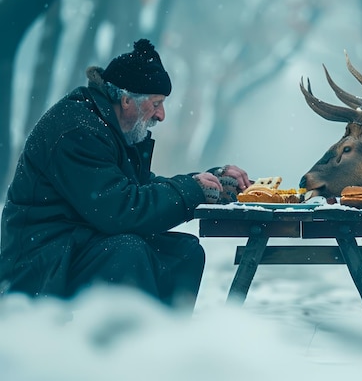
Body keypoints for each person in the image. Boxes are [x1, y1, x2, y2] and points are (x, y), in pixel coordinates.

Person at [0, 39, 251, 310]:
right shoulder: (77, 131)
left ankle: (164, 343)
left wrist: (206, 180)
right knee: (127, 249)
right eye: (156, 103)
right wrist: (191, 189)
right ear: (126, 99)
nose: (162, 115)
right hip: (42, 260)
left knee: (184, 253)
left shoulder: (108, 125)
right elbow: (120, 211)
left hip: (78, 243)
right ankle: (122, 342)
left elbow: (138, 189)